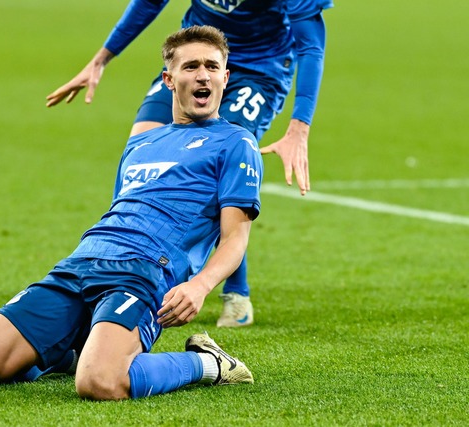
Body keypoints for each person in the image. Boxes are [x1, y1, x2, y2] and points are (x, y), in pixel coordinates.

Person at [0, 25, 262, 400]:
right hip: (81, 263)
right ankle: (77, 349)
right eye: (191, 66)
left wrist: (199, 286)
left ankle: (208, 363)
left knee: (100, 382)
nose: (202, 75)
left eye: (212, 67)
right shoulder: (140, 144)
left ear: (225, 77)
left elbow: (235, 238)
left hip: (143, 272)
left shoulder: (235, 143)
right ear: (169, 79)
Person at [46, 0, 333, 328]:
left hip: (260, 70)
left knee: (218, 152)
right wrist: (101, 59)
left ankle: (236, 293)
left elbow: (311, 43)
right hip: (192, 63)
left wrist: (300, 128)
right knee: (140, 151)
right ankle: (115, 266)